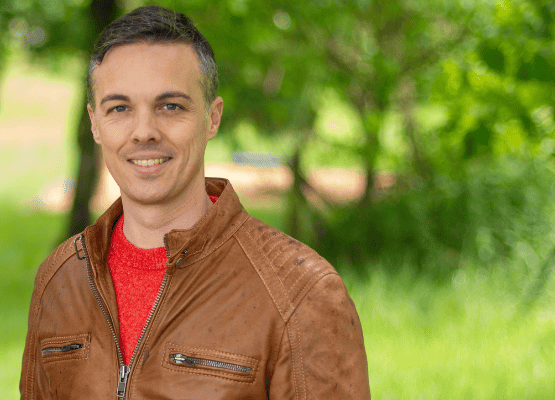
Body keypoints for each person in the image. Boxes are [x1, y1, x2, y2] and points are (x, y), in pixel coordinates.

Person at [20, 6, 369, 399]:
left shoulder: (301, 291)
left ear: (212, 117)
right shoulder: (60, 280)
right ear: (95, 123)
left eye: (171, 106)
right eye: (119, 108)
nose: (144, 132)